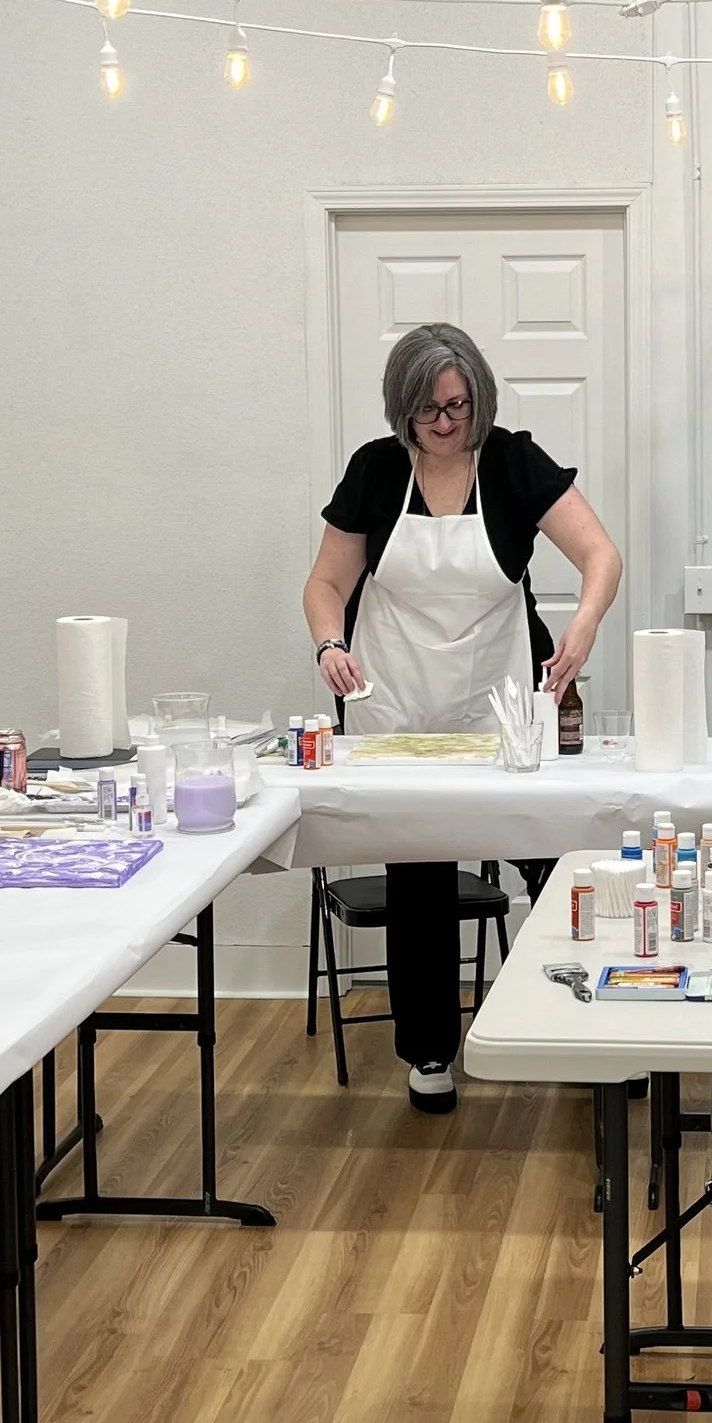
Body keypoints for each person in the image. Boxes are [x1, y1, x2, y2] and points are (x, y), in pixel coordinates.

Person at [302, 323, 622, 1115]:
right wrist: (327, 644)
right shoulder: (377, 474)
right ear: (400, 412)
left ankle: (582, 1020)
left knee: (552, 853)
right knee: (421, 870)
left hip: (502, 693)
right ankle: (430, 1051)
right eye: (428, 412)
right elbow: (324, 583)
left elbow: (601, 556)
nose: (446, 424)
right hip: (397, 700)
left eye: (458, 405)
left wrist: (580, 626)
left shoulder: (512, 460)